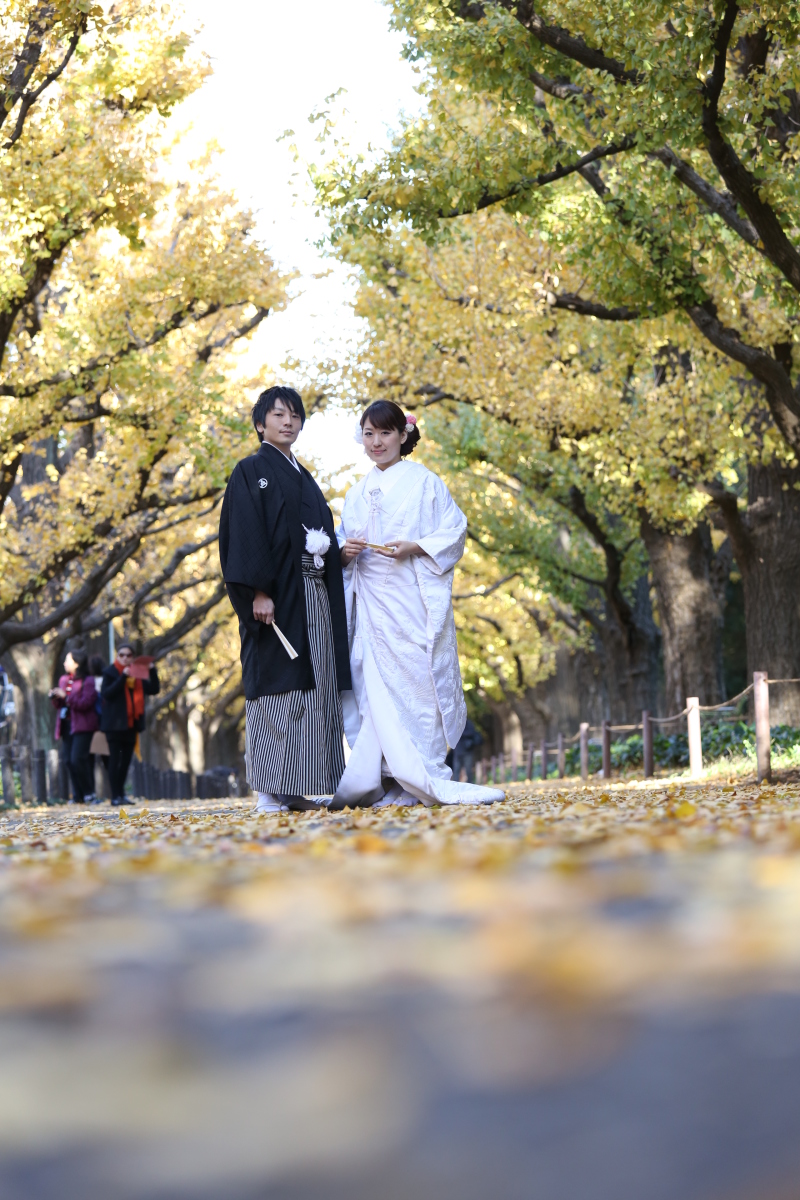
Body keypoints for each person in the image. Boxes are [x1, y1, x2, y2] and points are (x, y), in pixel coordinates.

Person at [334, 400, 504, 808]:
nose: (377, 442)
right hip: (371, 605)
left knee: (417, 685)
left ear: (403, 435)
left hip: (411, 599)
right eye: (369, 434)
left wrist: (416, 546)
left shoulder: (427, 483)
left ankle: (420, 775)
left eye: (386, 433)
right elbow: (340, 541)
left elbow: (454, 530)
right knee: (371, 686)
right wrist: (345, 552)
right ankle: (387, 779)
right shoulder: (356, 492)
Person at [219, 385, 351, 813]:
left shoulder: (304, 477)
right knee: (277, 688)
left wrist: (339, 552)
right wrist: (259, 590)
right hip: (275, 599)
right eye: (277, 415)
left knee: (317, 687)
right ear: (260, 423)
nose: (287, 421)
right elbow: (243, 534)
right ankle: (268, 789)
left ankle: (305, 783)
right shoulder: (249, 470)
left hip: (313, 595)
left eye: (294, 415)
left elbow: (320, 538)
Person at [100, 643, 160, 806]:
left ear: (133, 657)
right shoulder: (109, 672)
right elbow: (107, 694)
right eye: (122, 655)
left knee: (126, 761)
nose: (125, 658)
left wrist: (152, 670)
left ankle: (121, 794)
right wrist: (123, 677)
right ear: (117, 656)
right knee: (115, 760)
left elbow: (154, 689)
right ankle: (115, 796)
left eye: (128, 655)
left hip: (131, 725)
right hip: (114, 725)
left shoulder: (138, 675)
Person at [49, 647, 98, 804]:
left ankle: (89, 793)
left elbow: (86, 703)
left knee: (78, 759)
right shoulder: (64, 680)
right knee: (69, 761)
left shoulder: (88, 681)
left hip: (83, 726)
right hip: (66, 725)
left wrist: (67, 697)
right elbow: (60, 706)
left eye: (67, 660)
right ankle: (78, 795)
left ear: (76, 663)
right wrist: (56, 697)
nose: (64, 663)